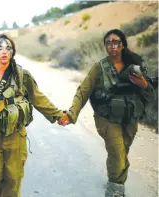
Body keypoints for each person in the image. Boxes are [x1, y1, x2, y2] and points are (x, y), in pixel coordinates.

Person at [0, 34, 68, 197]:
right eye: (0, 48)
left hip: (15, 135)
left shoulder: (21, 75)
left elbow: (37, 97)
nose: (4, 51)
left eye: (8, 48)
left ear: (12, 53)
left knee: (13, 178)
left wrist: (57, 115)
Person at [63, 29, 156, 197]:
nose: (112, 46)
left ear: (122, 44)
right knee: (117, 151)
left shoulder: (135, 64)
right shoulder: (100, 67)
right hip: (106, 117)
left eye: (116, 42)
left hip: (130, 117)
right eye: (108, 42)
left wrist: (143, 85)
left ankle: (116, 177)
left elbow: (150, 94)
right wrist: (72, 114)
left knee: (122, 151)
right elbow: (83, 90)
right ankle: (115, 188)